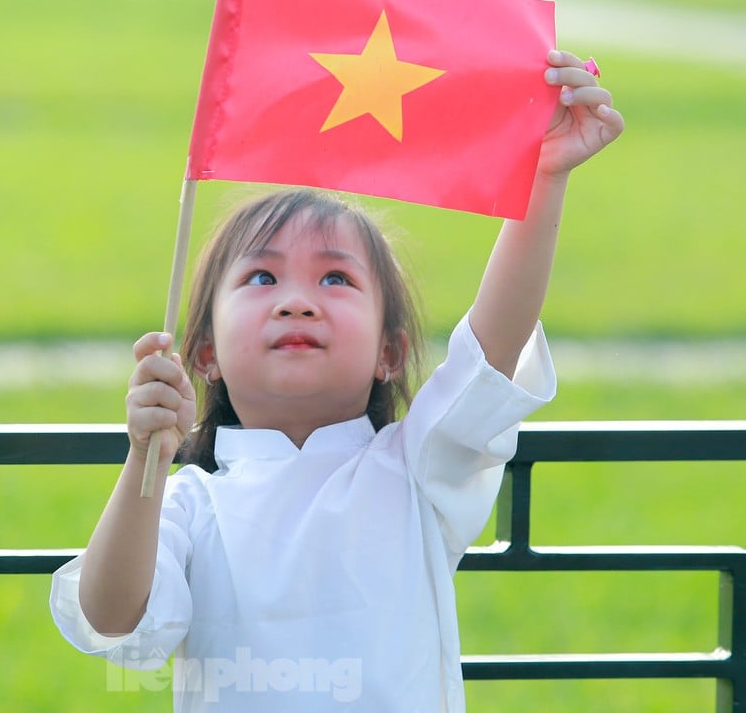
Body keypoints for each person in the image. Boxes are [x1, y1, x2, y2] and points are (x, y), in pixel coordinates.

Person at [50, 49, 624, 711]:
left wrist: (545, 178)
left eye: (336, 279)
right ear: (203, 354)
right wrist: (144, 457)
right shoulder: (189, 502)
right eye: (262, 278)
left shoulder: (415, 469)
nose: (297, 301)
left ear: (390, 352)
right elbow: (113, 618)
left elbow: (492, 347)